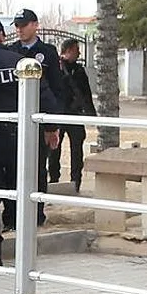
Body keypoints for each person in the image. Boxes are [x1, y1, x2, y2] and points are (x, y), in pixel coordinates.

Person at [0, 16, 61, 266]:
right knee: (21, 193)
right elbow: (45, 95)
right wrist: (51, 127)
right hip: (20, 137)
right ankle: (23, 252)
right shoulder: (21, 62)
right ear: (1, 36)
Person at [9, 9, 73, 227]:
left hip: (39, 120)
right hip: (16, 121)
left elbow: (56, 89)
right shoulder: (12, 51)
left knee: (37, 167)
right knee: (14, 168)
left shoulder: (47, 52)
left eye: (24, 25)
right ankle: (12, 215)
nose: (19, 29)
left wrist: (52, 124)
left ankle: (36, 214)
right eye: (17, 25)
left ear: (35, 25)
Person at [54, 38, 95, 188]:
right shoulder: (56, 67)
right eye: (77, 50)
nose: (79, 53)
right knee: (54, 149)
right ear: (69, 50)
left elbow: (86, 92)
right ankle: (53, 181)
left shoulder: (78, 70)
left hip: (75, 114)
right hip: (59, 114)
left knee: (77, 149)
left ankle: (76, 181)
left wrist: (91, 113)